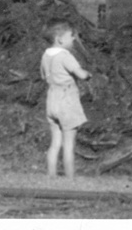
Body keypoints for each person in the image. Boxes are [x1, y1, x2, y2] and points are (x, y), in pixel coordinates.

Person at [40, 18, 92, 179]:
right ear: (60, 39)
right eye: (71, 36)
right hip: (66, 99)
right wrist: (88, 74)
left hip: (51, 99)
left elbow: (43, 76)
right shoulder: (65, 56)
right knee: (69, 144)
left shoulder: (46, 55)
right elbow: (81, 75)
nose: (74, 38)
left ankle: (51, 176)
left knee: (55, 143)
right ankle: (70, 179)